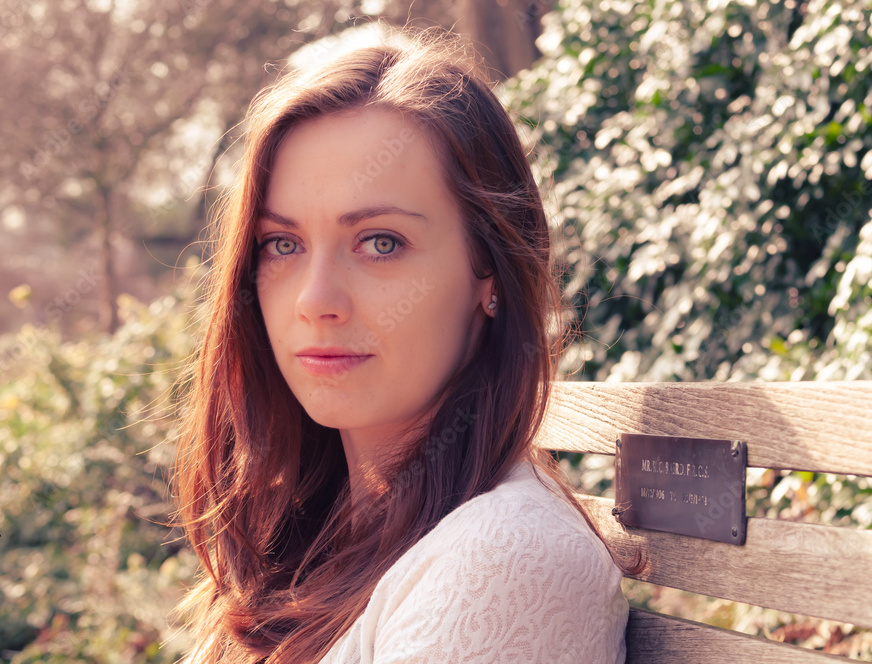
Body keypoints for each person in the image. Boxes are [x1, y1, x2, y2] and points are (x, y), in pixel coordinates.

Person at [173, 24, 642, 664]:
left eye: (381, 242)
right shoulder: (318, 535)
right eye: (283, 244)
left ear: (490, 270)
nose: (315, 299)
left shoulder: (503, 558)